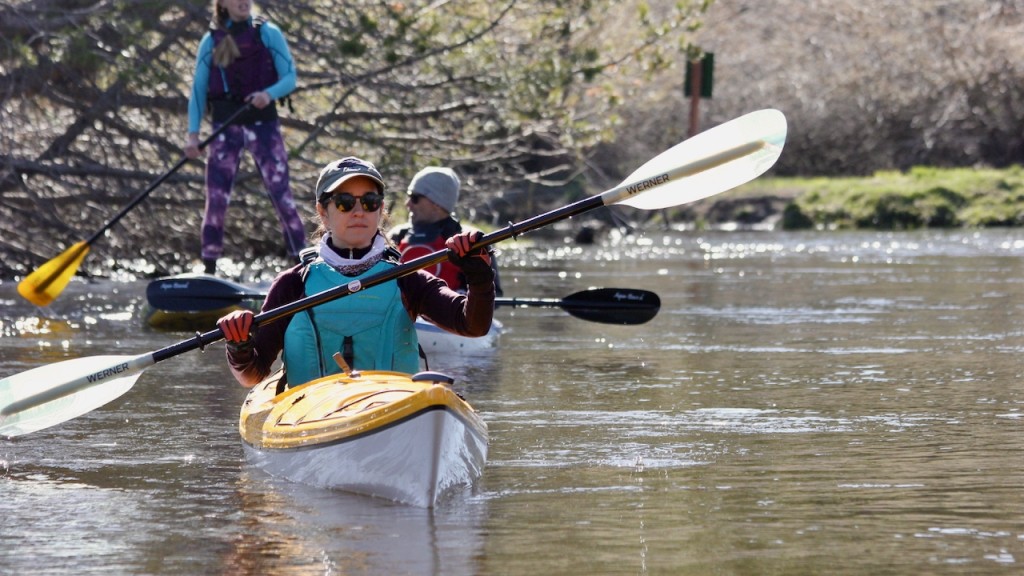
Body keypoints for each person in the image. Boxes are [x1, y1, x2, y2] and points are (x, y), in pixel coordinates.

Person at [216, 156, 496, 388]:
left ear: (381, 210)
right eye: (344, 202)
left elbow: (472, 326)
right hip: (310, 419)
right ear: (323, 212)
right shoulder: (292, 285)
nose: (359, 211)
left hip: (394, 409)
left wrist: (479, 276)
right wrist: (239, 346)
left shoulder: (408, 279)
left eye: (370, 201)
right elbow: (252, 375)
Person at [184, 0, 306, 275]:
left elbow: (290, 78)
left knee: (281, 195)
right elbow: (198, 90)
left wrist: (268, 95)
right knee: (216, 199)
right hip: (225, 129)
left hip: (263, 125)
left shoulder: (268, 33)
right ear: (223, 4)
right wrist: (193, 136)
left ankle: (302, 264)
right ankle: (209, 269)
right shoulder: (211, 41)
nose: (243, 2)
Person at [389, 167, 503, 295]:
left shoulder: (472, 240)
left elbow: (493, 295)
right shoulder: (396, 236)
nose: (407, 203)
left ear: (437, 203)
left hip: (453, 312)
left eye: (414, 198)